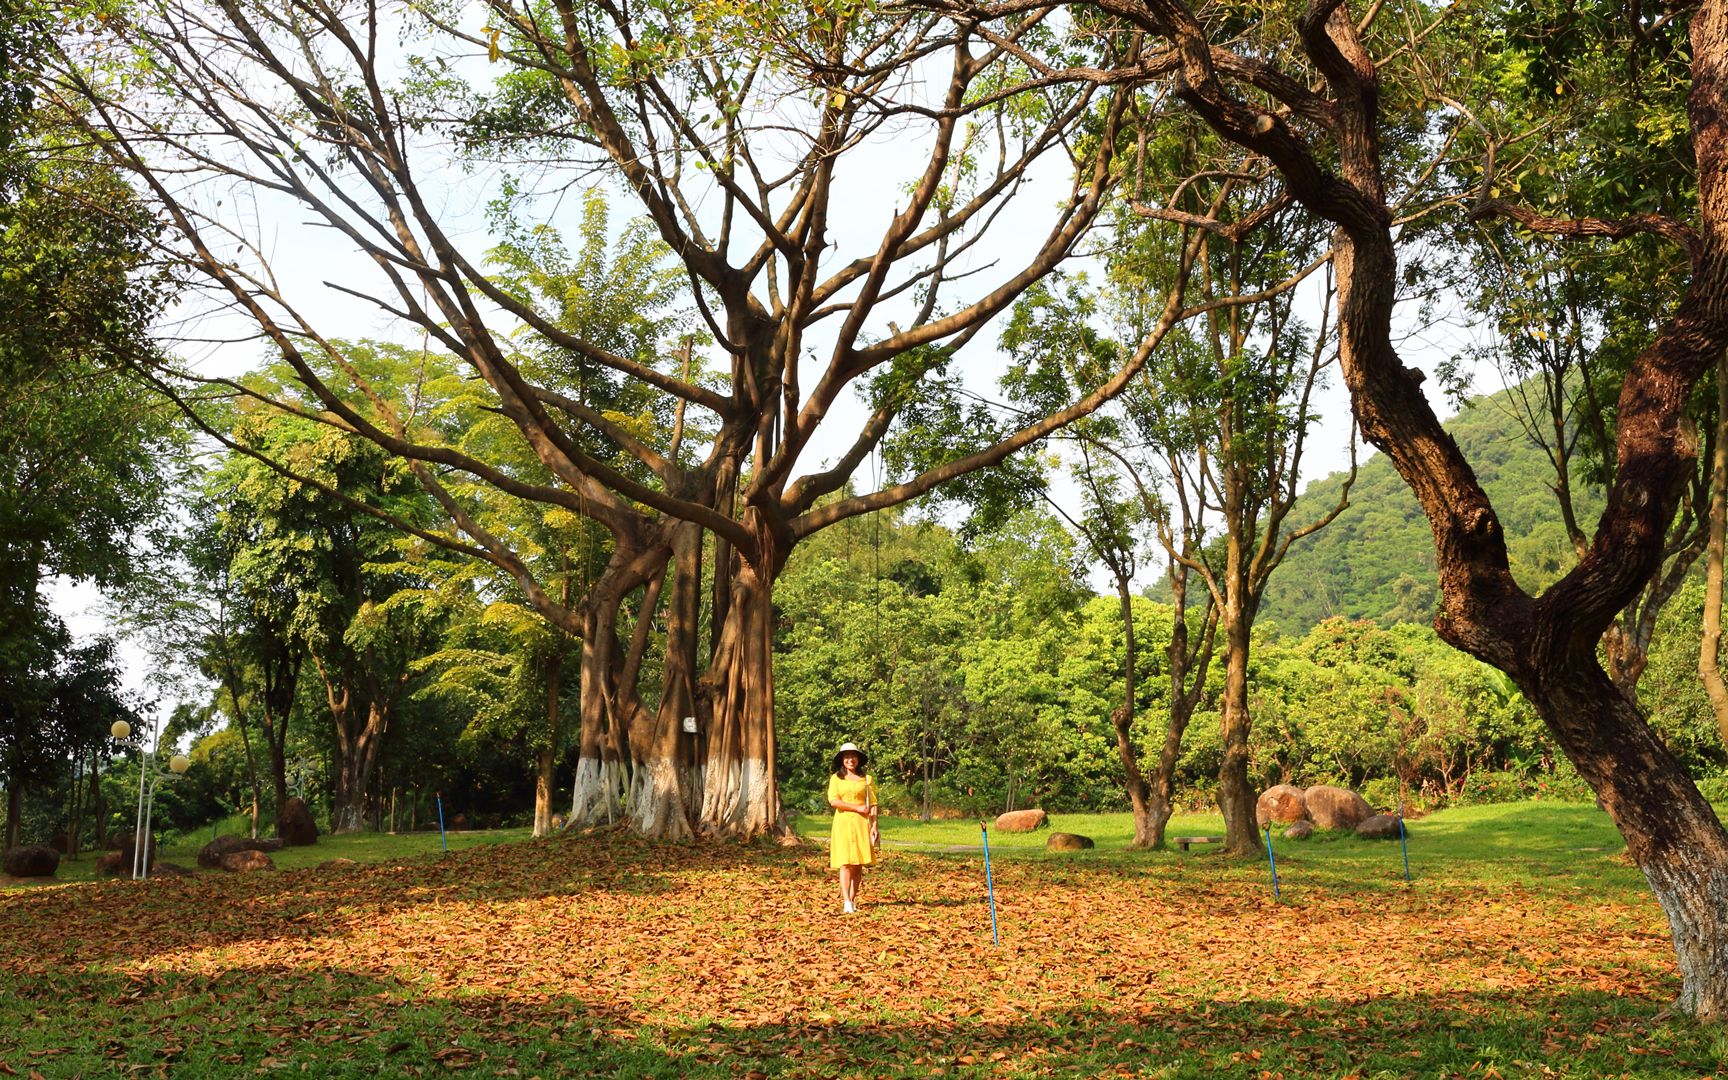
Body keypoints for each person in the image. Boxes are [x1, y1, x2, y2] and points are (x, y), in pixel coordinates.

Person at [827, 742, 877, 914]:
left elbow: (874, 804)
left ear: (858, 759)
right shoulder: (836, 779)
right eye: (847, 757)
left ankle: (853, 898)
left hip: (862, 823)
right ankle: (846, 900)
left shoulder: (867, 779)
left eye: (853, 756)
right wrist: (856, 808)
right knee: (846, 863)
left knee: (858, 864)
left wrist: (874, 826)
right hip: (843, 823)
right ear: (842, 760)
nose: (850, 760)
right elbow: (834, 801)